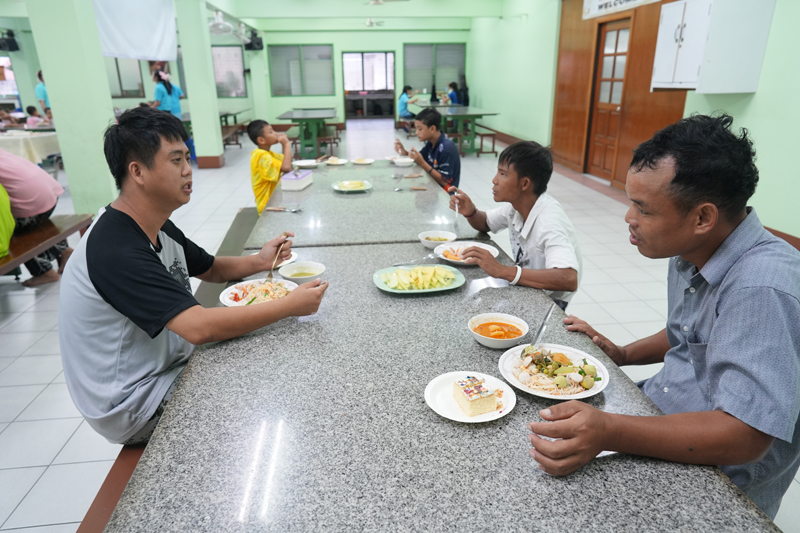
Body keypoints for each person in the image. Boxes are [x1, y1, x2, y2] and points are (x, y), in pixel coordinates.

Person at [529, 114, 800, 520]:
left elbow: (745, 436)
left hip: (720, 474)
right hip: (659, 412)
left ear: (702, 218)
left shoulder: (761, 288)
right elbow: (688, 333)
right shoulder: (691, 250)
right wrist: (622, 354)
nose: (629, 218)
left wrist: (609, 430)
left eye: (643, 208)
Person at [58, 107, 328, 445]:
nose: (189, 170)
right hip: (135, 402)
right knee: (265, 378)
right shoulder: (115, 248)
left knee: (269, 353)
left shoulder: (155, 223)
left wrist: (260, 261)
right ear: (137, 171)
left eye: (188, 158)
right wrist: (289, 305)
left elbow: (211, 268)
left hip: (166, 366)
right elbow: (200, 328)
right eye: (176, 160)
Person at [447, 141, 581, 308]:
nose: (494, 180)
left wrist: (501, 270)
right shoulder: (516, 207)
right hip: (528, 288)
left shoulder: (549, 221)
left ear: (524, 184)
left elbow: (568, 278)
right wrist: (470, 211)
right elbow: (485, 222)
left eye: (503, 173)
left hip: (550, 301)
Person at [0, 148, 73, 286]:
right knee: (33, 225)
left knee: (11, 233)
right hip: (50, 195)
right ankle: (65, 251)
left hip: (33, 205)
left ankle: (44, 272)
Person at [393, 108, 461, 189]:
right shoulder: (431, 143)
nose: (416, 133)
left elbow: (445, 182)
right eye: (416, 129)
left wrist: (422, 163)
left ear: (432, 129)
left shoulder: (447, 148)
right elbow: (419, 158)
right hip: (433, 186)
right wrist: (405, 152)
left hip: (445, 193)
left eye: (420, 129)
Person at [247, 119, 293, 215]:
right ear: (261, 140)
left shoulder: (268, 153)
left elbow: (288, 161)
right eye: (271, 132)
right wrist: (286, 144)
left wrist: (284, 145)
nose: (276, 133)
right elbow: (286, 167)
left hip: (274, 200)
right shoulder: (261, 156)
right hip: (267, 206)